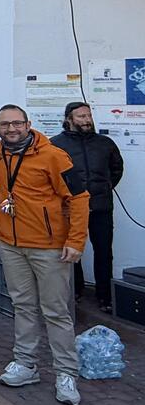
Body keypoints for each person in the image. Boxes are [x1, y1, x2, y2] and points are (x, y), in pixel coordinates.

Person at [0, 104, 89, 405]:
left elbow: (78, 197)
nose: (11, 129)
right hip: (11, 243)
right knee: (22, 306)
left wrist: (75, 241)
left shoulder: (54, 156)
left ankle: (66, 373)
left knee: (56, 311)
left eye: (17, 123)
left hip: (48, 247)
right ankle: (26, 363)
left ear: (28, 124)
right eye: (4, 125)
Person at [51, 102, 123, 313]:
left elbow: (116, 170)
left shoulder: (105, 143)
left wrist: (103, 188)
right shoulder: (55, 145)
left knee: (103, 251)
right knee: (72, 251)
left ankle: (105, 296)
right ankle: (76, 290)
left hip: (101, 206)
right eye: (81, 116)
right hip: (70, 208)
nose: (86, 120)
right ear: (69, 119)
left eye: (88, 116)